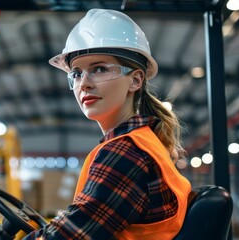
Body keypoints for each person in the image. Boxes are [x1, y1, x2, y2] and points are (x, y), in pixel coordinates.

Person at [23, 8, 191, 239]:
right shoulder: (143, 144)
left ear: (135, 80)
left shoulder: (125, 154)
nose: (84, 84)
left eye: (99, 69)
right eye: (76, 73)